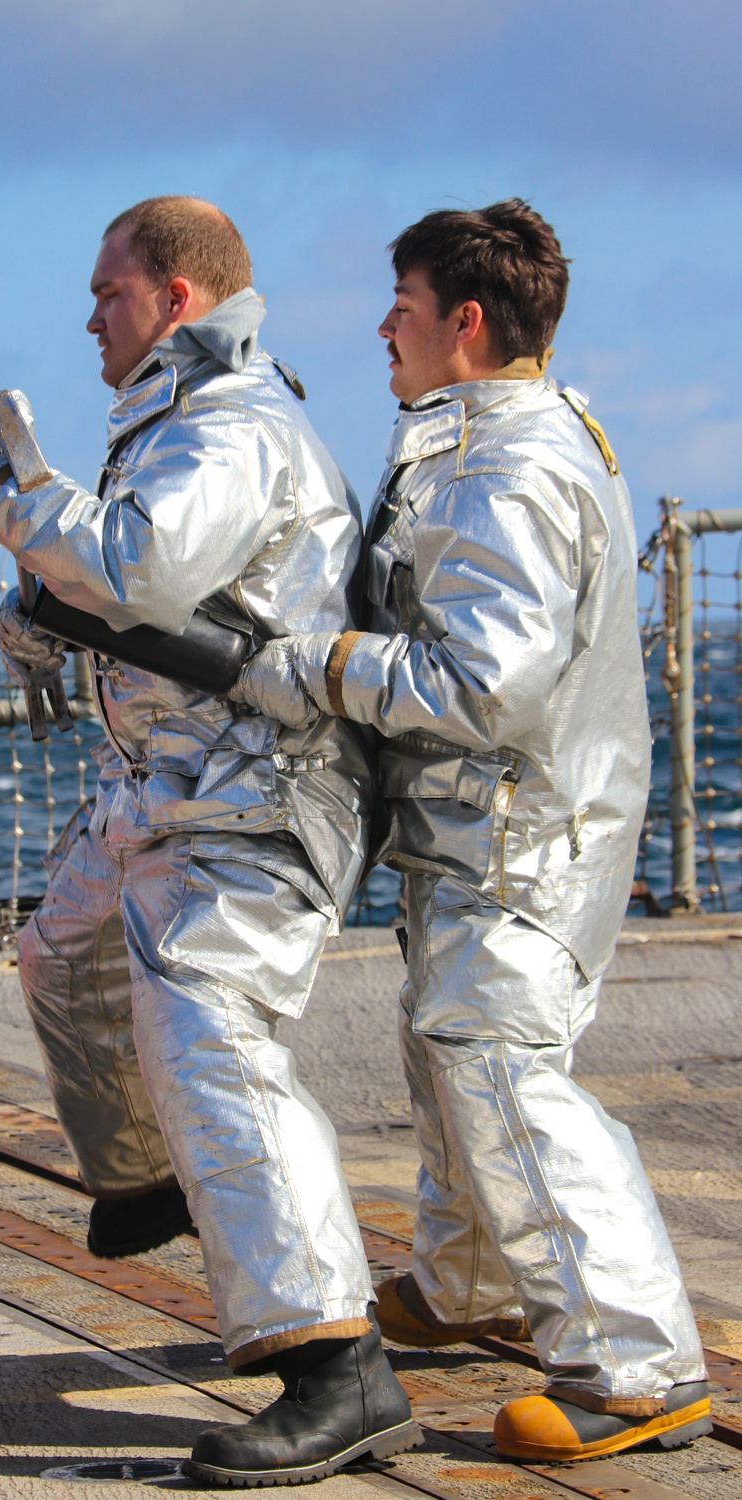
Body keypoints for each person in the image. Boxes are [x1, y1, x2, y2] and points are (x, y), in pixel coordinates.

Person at [0, 195, 422, 1485]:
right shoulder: (170, 424)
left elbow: (141, 566)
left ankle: (336, 1365)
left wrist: (7, 490)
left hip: (257, 801)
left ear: (178, 299)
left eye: (108, 291)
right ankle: (151, 1176)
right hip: (167, 787)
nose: (90, 314)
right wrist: (45, 612)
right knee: (63, 959)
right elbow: (135, 587)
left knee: (208, 1038)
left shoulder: (231, 427)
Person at [232, 199, 711, 1465]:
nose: (379, 326)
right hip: (495, 821)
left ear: (467, 321)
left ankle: (635, 1363)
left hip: (524, 831)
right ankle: (466, 1282)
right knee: (443, 1037)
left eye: (399, 305)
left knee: (494, 1056)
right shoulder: (482, 434)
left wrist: (326, 664)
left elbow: (486, 683)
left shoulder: (511, 466)